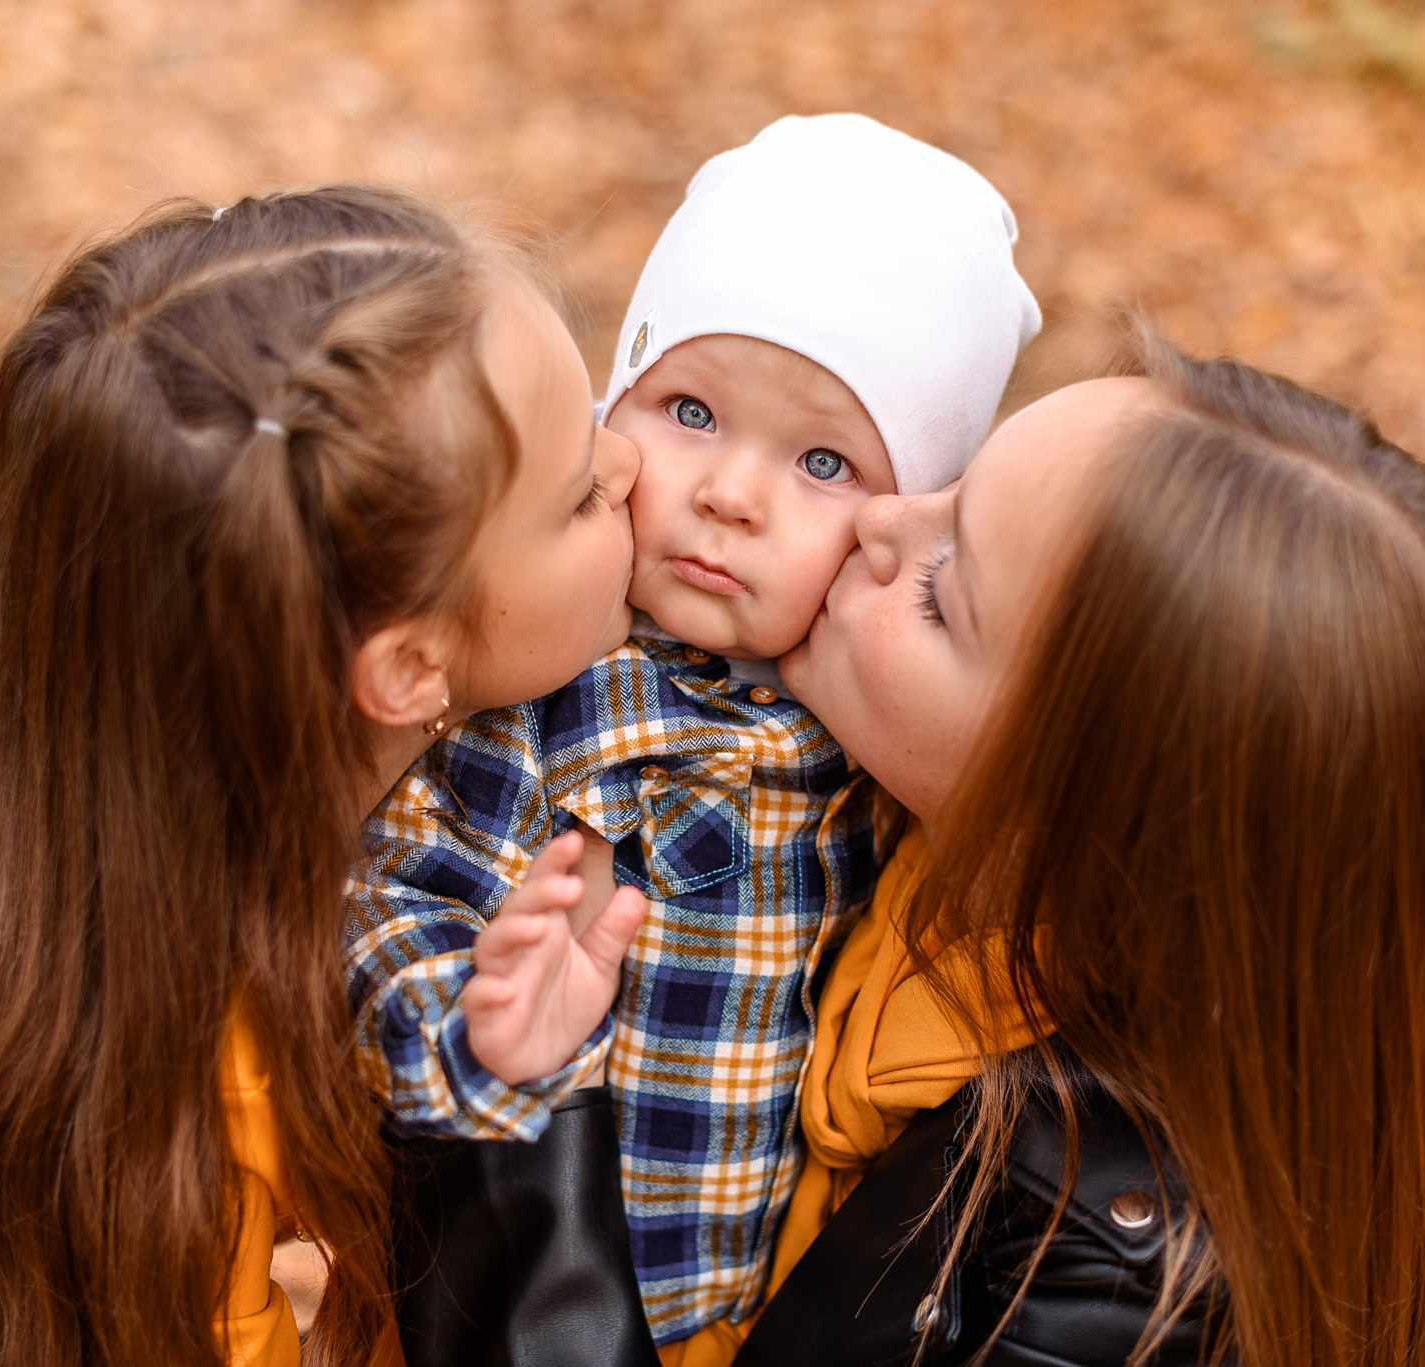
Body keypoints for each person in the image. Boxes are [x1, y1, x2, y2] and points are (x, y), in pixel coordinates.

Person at [0, 184, 640, 1367]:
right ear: (409, 665)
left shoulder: (18, 718)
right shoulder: (189, 1126)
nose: (630, 462)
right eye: (580, 491)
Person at [342, 113, 1042, 1358]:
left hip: (755, 1304)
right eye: (691, 411)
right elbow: (386, 884)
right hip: (497, 1291)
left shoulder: (877, 740)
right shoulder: (557, 681)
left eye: (823, 458)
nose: (731, 491)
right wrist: (467, 1018)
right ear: (616, 401)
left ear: (901, 516)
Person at [719, 319, 1425, 1367]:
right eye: (954, 483)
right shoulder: (847, 850)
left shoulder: (1094, 1287)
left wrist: (518, 1127)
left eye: (937, 596)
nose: (875, 514)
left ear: (1088, 809)